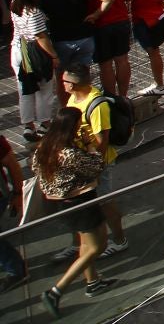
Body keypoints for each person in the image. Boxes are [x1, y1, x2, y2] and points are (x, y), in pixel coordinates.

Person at [33, 108, 113, 314]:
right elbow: (97, 165)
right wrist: (89, 145)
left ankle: (92, 281)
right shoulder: (68, 153)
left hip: (61, 203)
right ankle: (56, 291)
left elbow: (35, 168)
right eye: (78, 124)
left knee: (86, 244)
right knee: (98, 245)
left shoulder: (44, 146)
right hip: (80, 200)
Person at [62, 65, 128, 252]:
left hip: (99, 163)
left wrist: (90, 162)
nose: (63, 84)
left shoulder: (97, 105)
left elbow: (102, 141)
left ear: (73, 84)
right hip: (81, 162)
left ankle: (120, 240)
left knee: (105, 202)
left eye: (65, 81)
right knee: (81, 206)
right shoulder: (73, 98)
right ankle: (79, 244)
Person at [12, 0, 58, 138]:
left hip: (18, 50)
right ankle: (45, 123)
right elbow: (41, 38)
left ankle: (28, 125)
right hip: (36, 53)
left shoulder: (14, 2)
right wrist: (54, 56)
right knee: (44, 89)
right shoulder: (34, 13)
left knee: (25, 90)